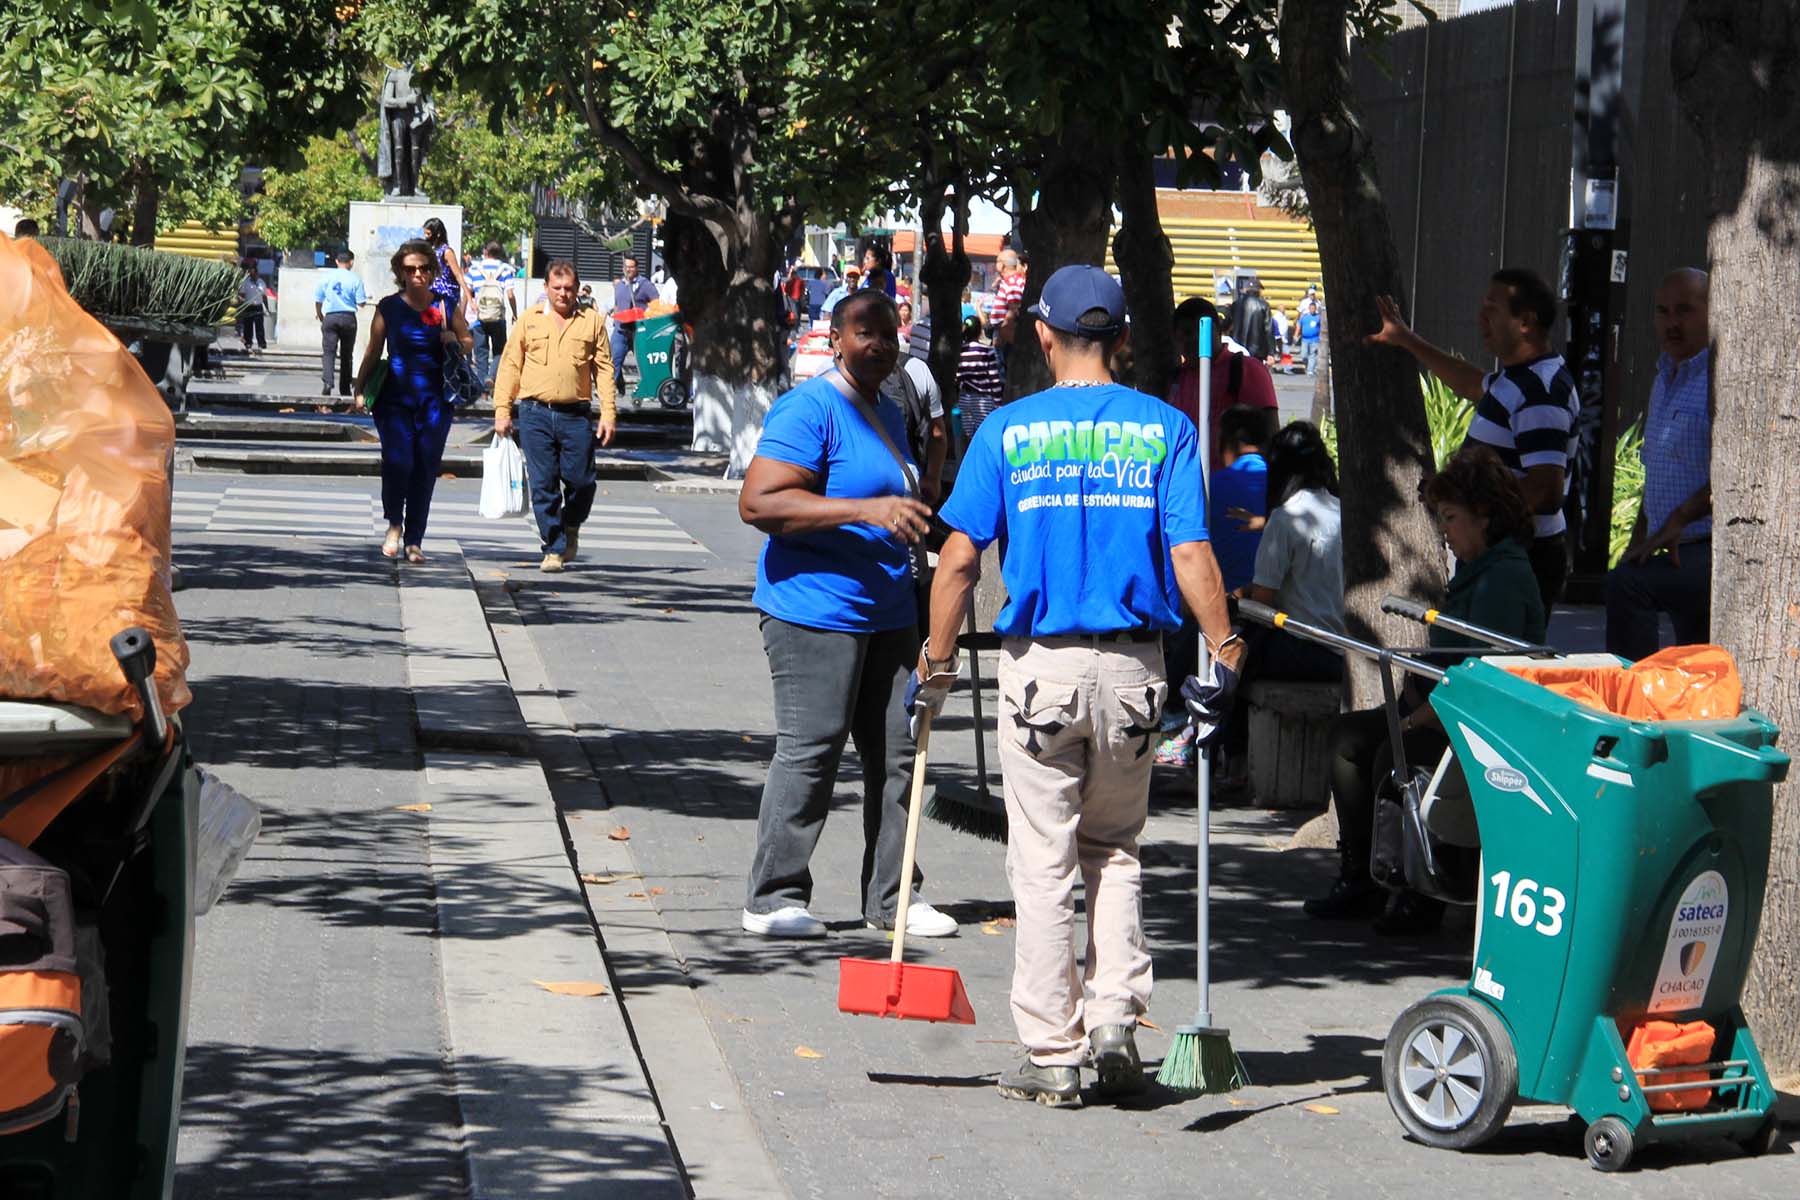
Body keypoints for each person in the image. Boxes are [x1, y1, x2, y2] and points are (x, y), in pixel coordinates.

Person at [917, 265, 1242, 1107]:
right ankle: (1114, 1021)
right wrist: (1227, 648)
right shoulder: (1167, 429)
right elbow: (1191, 554)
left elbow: (958, 559)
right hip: (1135, 669)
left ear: (1042, 334)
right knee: (1115, 849)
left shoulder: (1006, 432)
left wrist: (939, 660)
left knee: (1042, 859)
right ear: (1126, 338)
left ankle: (1051, 1052)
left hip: (1041, 674)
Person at [735, 288, 957, 941]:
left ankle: (894, 897)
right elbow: (759, 503)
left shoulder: (888, 409)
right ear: (835, 338)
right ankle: (773, 897)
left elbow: (901, 505)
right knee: (813, 750)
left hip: (889, 610)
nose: (882, 344)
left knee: (900, 752)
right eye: (867, 332)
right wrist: (865, 512)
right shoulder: (810, 408)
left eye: (890, 333)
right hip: (813, 610)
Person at [1305, 445, 1545, 935]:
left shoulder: (1503, 577)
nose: (1445, 533)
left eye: (1452, 519)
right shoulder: (1479, 570)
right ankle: (1362, 875)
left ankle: (1416, 887)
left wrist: (1416, 717)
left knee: (1395, 751)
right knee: (1349, 738)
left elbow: (1485, 679)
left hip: (1476, 724)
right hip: (1439, 706)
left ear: (1486, 517)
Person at [1368, 268, 1579, 609]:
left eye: (1492, 309)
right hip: (1498, 555)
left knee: (1492, 659)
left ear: (1525, 322)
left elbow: (1545, 490)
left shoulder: (1540, 392)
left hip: (1516, 560)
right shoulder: (1518, 378)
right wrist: (1406, 339)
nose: (1480, 318)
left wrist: (1468, 505)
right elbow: (1471, 383)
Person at [1606, 267, 1713, 660]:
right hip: (1671, 544)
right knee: (1697, 660)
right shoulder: (1663, 376)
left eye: (1684, 311)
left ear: (1712, 311)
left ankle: (1631, 702)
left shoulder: (1719, 378)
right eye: (1663, 312)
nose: (1672, 323)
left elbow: (1735, 477)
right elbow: (1657, 473)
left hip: (1709, 546)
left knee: (1626, 586)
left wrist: (1682, 518)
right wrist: (1641, 538)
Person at [352, 240, 472, 563]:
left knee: (424, 467)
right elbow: (373, 350)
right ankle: (394, 523)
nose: (417, 274)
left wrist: (455, 341)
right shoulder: (388, 307)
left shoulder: (445, 305)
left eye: (423, 268)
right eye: (410, 269)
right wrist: (359, 387)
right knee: (398, 460)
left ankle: (414, 540)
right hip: (394, 397)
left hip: (436, 398)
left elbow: (468, 339)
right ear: (400, 273)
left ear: (432, 271)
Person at [493, 260, 616, 574]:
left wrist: (608, 413)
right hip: (535, 413)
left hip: (575, 416)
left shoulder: (591, 321)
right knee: (543, 483)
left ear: (577, 290)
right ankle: (553, 547)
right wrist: (502, 410)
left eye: (569, 289)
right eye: (557, 288)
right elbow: (510, 366)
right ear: (546, 288)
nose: (563, 294)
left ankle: (571, 525)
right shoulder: (529, 320)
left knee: (582, 481)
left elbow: (603, 369)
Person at [1237, 420, 1346, 685]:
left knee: (1227, 643)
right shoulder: (1343, 510)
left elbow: (1262, 603)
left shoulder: (1286, 519)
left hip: (1301, 648)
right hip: (1342, 650)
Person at [1168, 297, 1278, 470]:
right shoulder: (1175, 379)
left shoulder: (1247, 369)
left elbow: (1271, 432)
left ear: (1219, 331)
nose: (1195, 339)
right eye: (1187, 333)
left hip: (1236, 488)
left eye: (1201, 331)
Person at [464, 242, 518, 399]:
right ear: (500, 253)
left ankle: (483, 390)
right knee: (500, 351)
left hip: (479, 318)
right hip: (498, 318)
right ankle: (491, 377)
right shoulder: (506, 269)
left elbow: (466, 292)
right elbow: (510, 294)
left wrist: (465, 310)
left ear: (485, 251)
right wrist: (514, 313)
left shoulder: (474, 269)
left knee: (480, 354)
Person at [313, 249, 367, 400]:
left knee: (329, 352)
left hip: (331, 317)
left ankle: (328, 383)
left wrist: (320, 314)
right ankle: (345, 388)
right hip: (349, 318)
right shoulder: (355, 279)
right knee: (346, 354)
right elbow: (361, 302)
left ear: (337, 261)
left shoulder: (327, 277)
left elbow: (318, 299)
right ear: (351, 262)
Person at [610, 254, 660, 393]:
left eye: (631, 267)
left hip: (639, 331)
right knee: (614, 359)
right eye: (626, 267)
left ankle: (650, 388)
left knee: (644, 362)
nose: (629, 269)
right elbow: (617, 304)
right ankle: (615, 386)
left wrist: (647, 316)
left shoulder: (645, 285)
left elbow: (656, 303)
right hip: (620, 329)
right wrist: (614, 317)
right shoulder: (619, 285)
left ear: (636, 268)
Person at [955, 315, 1004, 443]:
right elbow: (994, 379)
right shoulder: (987, 351)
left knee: (968, 438)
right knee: (984, 437)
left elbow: (958, 377)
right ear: (979, 331)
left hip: (965, 398)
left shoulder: (959, 351)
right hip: (984, 400)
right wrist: (999, 403)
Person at [421, 217, 472, 313]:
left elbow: (458, 275)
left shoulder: (446, 252)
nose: (426, 237)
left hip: (445, 295)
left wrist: (469, 297)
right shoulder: (429, 251)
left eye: (428, 234)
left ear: (438, 234)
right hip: (431, 293)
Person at [1231, 279, 1275, 363]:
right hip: (1257, 350)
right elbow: (1268, 330)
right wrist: (1271, 352)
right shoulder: (1264, 305)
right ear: (1258, 290)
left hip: (1237, 347)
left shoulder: (1236, 304)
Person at [237, 265, 268, 354]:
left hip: (258, 306)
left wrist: (267, 308)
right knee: (248, 326)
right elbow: (242, 294)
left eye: (254, 273)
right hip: (249, 306)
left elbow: (264, 296)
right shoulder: (246, 283)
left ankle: (261, 343)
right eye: (251, 273)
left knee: (259, 327)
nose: (253, 275)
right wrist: (242, 304)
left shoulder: (261, 283)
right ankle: (248, 343)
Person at [1298, 300, 1323, 376]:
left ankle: (1310, 370)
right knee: (1304, 355)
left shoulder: (1318, 317)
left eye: (1314, 308)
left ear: (1315, 309)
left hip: (1315, 339)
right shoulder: (1304, 317)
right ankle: (1307, 365)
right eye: (1311, 308)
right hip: (1305, 339)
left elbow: (1322, 327)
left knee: (1312, 354)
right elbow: (1299, 326)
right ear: (1309, 309)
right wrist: (1296, 335)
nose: (1312, 310)